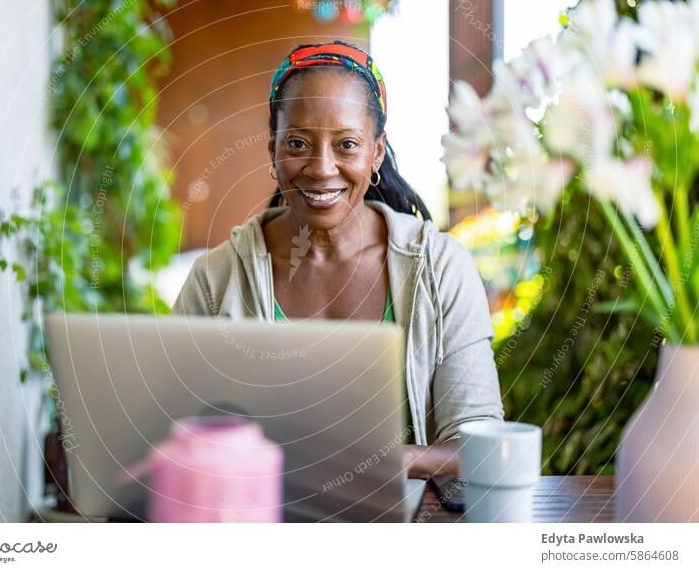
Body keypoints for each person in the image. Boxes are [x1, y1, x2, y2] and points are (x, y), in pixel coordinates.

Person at [172, 41, 504, 479]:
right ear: (273, 149)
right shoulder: (216, 279)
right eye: (297, 143)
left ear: (377, 151)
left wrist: (387, 464)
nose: (321, 168)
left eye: (347, 144)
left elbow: (480, 442)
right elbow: (171, 430)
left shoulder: (440, 269)